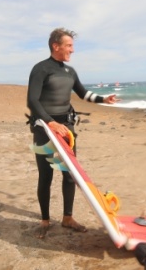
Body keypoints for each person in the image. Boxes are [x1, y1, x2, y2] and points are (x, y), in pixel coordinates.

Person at [27, 27, 119, 238]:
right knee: (46, 175)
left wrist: (103, 99)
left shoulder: (70, 72)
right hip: (45, 129)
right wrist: (50, 123)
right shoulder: (41, 69)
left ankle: (67, 218)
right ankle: (45, 220)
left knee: (70, 175)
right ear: (55, 46)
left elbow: (83, 93)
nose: (72, 50)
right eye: (69, 45)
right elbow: (32, 101)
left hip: (66, 129)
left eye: (72, 46)